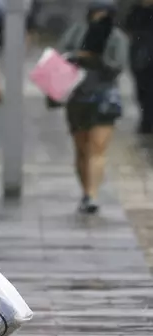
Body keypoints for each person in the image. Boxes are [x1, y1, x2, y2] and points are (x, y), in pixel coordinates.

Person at [56, 0, 128, 214]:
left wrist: (97, 58)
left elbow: (117, 65)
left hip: (105, 98)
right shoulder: (77, 31)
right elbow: (61, 56)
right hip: (78, 97)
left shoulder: (116, 37)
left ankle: (92, 194)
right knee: (81, 148)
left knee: (97, 147)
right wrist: (77, 57)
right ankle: (86, 191)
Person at [124, 0, 153, 135]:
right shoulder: (135, 10)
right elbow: (127, 29)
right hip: (139, 53)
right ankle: (146, 120)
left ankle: (147, 122)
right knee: (141, 90)